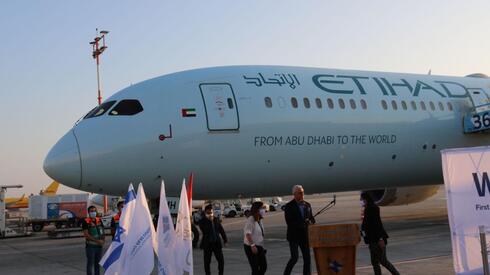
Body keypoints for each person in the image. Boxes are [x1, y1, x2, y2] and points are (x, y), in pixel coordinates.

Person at [360, 192, 400, 275]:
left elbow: (377, 224)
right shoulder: (367, 208)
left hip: (376, 240)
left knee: (383, 261)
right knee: (374, 262)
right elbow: (366, 226)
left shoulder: (373, 208)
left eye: (362, 199)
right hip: (372, 240)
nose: (361, 201)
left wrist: (380, 239)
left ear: (366, 199)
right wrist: (361, 234)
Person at [283, 185, 315, 275]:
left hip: (304, 236)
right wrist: (303, 223)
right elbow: (289, 222)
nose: (302, 194)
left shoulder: (307, 205)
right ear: (294, 194)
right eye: (300, 193)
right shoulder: (289, 206)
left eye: (303, 192)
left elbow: (312, 218)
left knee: (307, 259)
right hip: (294, 236)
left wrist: (311, 222)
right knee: (294, 258)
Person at [198, 204, 228, 275]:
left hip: (216, 243)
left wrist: (225, 240)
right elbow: (205, 231)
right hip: (208, 244)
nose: (210, 214)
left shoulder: (216, 219)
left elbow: (221, 230)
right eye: (208, 213)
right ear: (205, 213)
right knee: (207, 262)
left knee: (221, 261)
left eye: (211, 212)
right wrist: (210, 221)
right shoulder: (202, 221)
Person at [243, 201, 267, 275]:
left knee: (263, 267)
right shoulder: (251, 219)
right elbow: (248, 233)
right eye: (262, 208)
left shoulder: (259, 219)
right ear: (257, 209)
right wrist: (253, 245)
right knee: (255, 268)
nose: (264, 210)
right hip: (250, 246)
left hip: (259, 246)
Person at [82, 206, 105, 275]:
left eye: (94, 211)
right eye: (91, 211)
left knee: (97, 264)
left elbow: (102, 231)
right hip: (91, 246)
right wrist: (98, 241)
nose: (93, 212)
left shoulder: (99, 220)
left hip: (99, 246)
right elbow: (86, 235)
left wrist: (103, 240)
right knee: (90, 264)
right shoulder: (86, 221)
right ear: (88, 212)